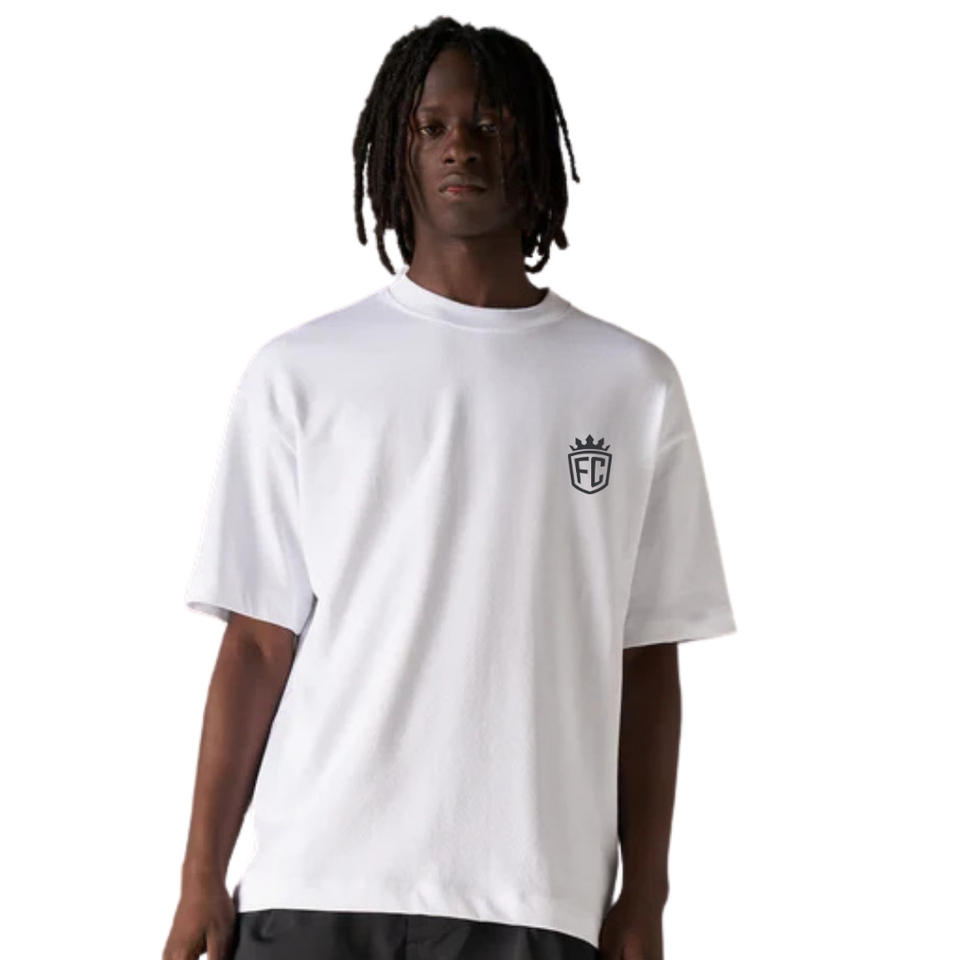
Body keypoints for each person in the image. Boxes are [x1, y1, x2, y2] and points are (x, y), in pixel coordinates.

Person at [162, 16, 736, 960]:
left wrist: (647, 893)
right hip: (316, 884)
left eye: (488, 123)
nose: (459, 146)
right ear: (397, 149)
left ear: (534, 144)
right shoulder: (301, 373)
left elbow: (646, 657)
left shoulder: (630, 384)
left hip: (534, 896)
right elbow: (258, 644)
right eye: (431, 126)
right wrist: (198, 878)